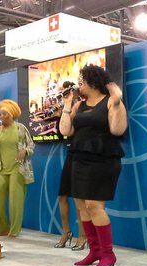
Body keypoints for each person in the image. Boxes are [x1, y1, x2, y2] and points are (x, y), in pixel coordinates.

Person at [59, 65, 127, 266]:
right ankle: (95, 251)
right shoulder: (79, 105)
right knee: (82, 206)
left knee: (94, 206)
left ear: (93, 81)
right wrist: (67, 106)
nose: (78, 84)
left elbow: (117, 129)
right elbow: (65, 130)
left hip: (103, 159)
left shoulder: (110, 102)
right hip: (79, 158)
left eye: (82, 80)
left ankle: (108, 254)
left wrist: (116, 101)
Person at [0, 100, 35, 237]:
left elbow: (31, 145)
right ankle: (1, 228)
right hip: (1, 169)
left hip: (18, 168)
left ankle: (14, 230)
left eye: (4, 114)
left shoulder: (20, 128)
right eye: (0, 114)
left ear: (12, 115)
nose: (1, 116)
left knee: (16, 201)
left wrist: (25, 151)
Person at [54, 82, 86, 250]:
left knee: (79, 198)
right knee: (62, 196)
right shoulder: (67, 108)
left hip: (83, 155)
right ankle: (66, 232)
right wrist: (62, 112)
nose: (67, 94)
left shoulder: (83, 107)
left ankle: (83, 235)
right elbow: (63, 133)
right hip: (70, 153)